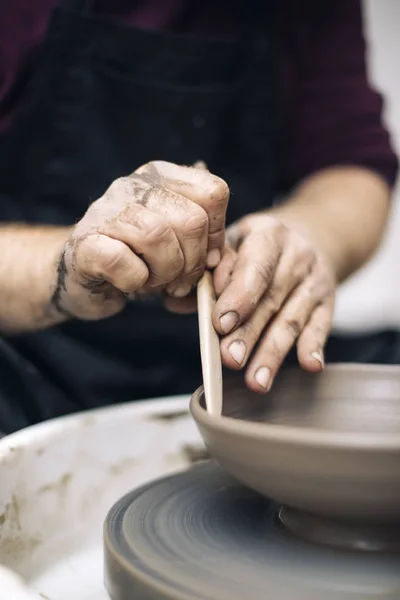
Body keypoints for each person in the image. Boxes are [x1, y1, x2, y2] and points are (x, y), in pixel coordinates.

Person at [0, 0, 397, 434]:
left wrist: (307, 238)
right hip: (32, 350)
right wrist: (67, 265)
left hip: (232, 344)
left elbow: (348, 160)